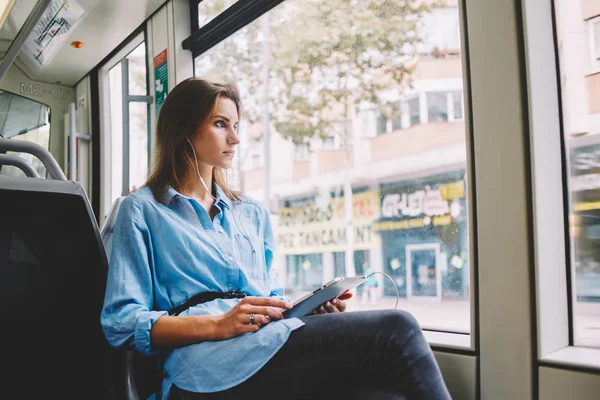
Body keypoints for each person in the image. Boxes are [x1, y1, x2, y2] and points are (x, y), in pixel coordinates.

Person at [100, 77, 452, 400]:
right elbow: (121, 323)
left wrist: (308, 311)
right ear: (183, 129)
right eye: (220, 124)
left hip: (266, 344)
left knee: (381, 395)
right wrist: (218, 324)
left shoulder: (249, 212)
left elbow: (269, 299)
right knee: (397, 327)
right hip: (203, 364)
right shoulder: (142, 210)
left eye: (236, 126)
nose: (235, 139)